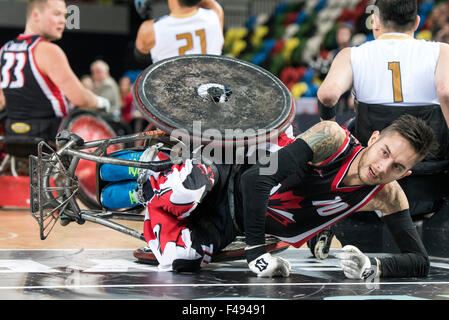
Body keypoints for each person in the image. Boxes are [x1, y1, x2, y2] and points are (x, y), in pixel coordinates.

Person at [96, 114, 436, 279]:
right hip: (228, 175)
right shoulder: (332, 138)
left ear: (405, 174)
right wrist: (257, 255)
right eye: (385, 151)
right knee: (191, 186)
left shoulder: (388, 195)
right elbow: (255, 182)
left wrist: (373, 266)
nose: (382, 166)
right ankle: (148, 170)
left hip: (234, 223)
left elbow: (419, 261)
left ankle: (148, 193)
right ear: (374, 138)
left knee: (180, 262)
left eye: (396, 166)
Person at [0, 0, 110, 143]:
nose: (63, 21)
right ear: (36, 15)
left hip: (13, 139)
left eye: (65, 15)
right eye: (57, 14)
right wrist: (100, 101)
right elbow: (79, 98)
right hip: (49, 140)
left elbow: (2, 99)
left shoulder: (4, 49)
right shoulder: (47, 50)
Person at [134, 0, 224, 65]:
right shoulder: (215, 15)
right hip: (212, 88)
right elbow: (209, 3)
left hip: (172, 90)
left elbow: (141, 57)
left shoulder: (149, 30)